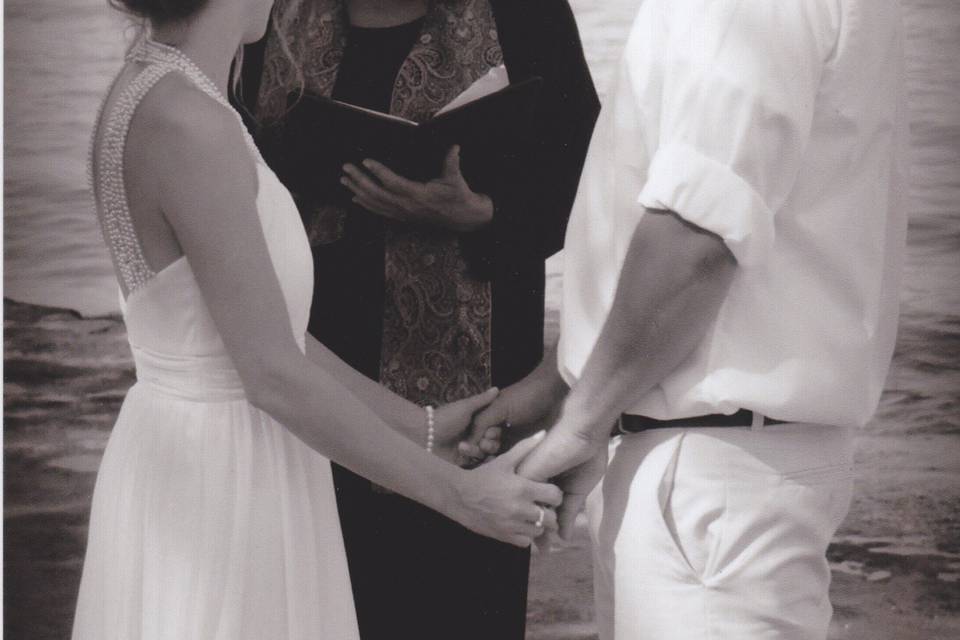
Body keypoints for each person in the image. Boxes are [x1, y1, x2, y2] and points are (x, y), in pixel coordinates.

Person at [72, 0, 564, 637]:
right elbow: (270, 373)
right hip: (224, 473)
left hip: (200, 449)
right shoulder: (190, 123)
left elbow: (271, 335)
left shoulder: (150, 91)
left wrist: (424, 426)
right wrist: (457, 495)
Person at [474, 0, 907, 638]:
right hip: (714, 457)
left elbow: (697, 240)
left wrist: (583, 421)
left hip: (714, 474)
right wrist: (564, 385)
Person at [234, 1, 599, 638]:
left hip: (475, 374)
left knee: (457, 599)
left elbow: (592, 188)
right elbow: (236, 173)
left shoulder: (525, 13)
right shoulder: (272, 15)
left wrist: (483, 214)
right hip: (318, 355)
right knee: (320, 590)